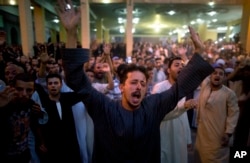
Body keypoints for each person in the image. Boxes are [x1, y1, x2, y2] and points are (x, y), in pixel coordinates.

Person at [56, 0, 213, 162]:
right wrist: (71, 34)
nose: (138, 86)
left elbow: (179, 89)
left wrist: (199, 52)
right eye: (133, 82)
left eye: (143, 83)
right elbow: (77, 81)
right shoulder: (105, 108)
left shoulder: (152, 107)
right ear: (122, 86)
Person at [152, 56, 195, 163]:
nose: (180, 67)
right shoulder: (160, 87)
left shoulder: (182, 89)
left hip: (180, 135)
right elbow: (157, 112)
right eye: (176, 65)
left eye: (182, 66)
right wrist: (183, 106)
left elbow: (183, 116)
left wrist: (188, 138)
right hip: (164, 134)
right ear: (168, 70)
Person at [194, 64, 239, 163]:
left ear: (224, 78)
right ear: (210, 76)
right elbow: (200, 70)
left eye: (221, 74)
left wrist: (228, 133)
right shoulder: (205, 87)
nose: (217, 75)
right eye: (214, 73)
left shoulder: (229, 94)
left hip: (218, 137)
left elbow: (233, 114)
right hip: (202, 136)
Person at [0, 73, 43, 163]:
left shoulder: (32, 105)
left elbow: (35, 125)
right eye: (19, 89)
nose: (24, 94)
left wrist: (41, 141)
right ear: (12, 88)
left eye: (29, 90)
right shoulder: (4, 104)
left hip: (24, 154)